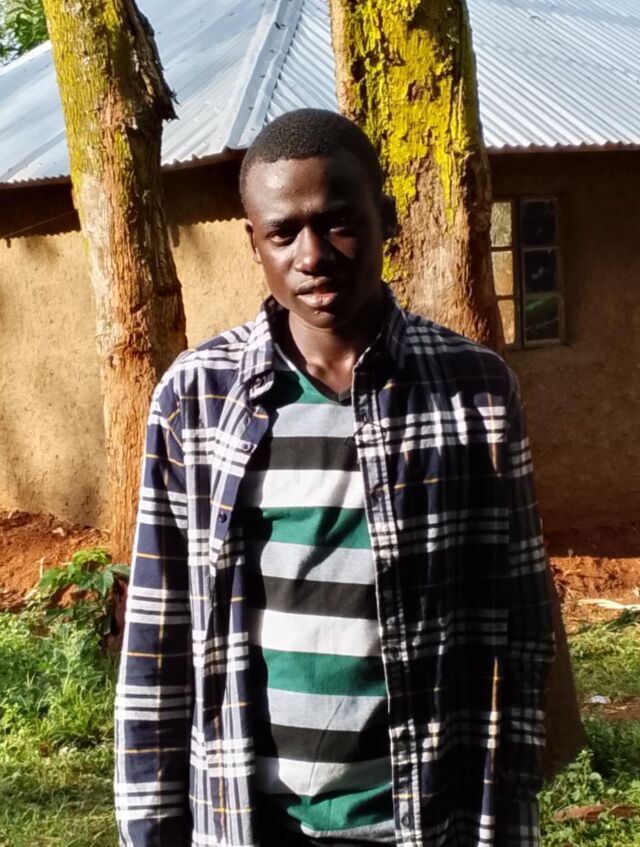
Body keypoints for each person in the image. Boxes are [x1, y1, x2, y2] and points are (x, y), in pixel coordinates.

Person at [115, 108, 555, 847]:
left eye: (339, 223)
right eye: (283, 233)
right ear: (253, 243)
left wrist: (509, 805)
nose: (312, 255)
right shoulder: (197, 399)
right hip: (252, 818)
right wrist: (149, 824)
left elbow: (522, 621)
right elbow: (157, 636)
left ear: (387, 218)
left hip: (421, 814)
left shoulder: (472, 392)